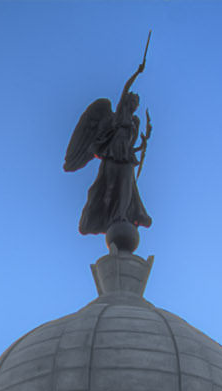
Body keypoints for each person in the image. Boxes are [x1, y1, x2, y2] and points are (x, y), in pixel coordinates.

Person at [65, 55, 152, 252]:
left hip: (126, 158)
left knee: (126, 189)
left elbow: (131, 145)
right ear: (128, 102)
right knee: (111, 189)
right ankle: (113, 217)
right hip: (113, 156)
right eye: (133, 102)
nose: (134, 106)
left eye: (136, 104)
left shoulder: (135, 123)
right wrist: (137, 73)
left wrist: (141, 146)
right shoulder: (119, 114)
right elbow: (125, 88)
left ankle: (121, 216)